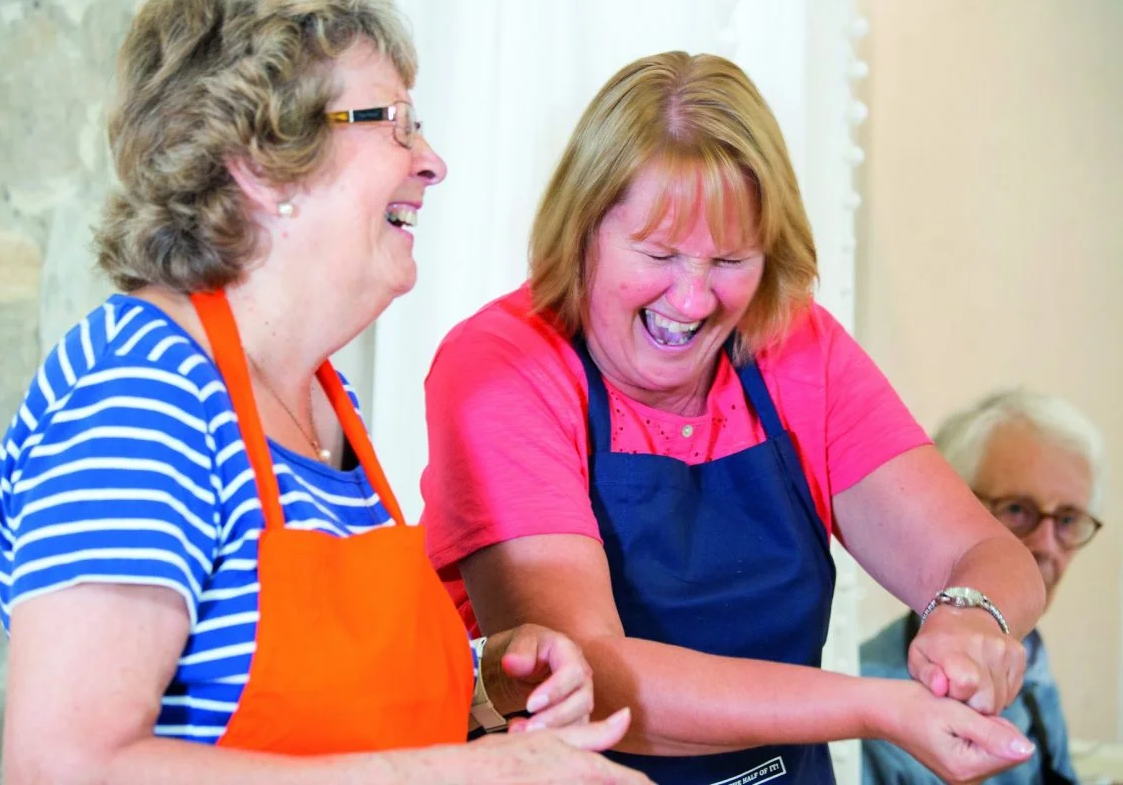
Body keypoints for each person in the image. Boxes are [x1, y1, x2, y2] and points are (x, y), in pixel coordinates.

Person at [0, 0, 651, 782]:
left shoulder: (327, 407)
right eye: (395, 122)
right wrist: (476, 776)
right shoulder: (142, 395)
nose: (432, 160)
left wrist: (484, 680)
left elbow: (314, 719)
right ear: (264, 166)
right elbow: (65, 766)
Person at [421, 50, 1049, 785]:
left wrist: (969, 620)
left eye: (729, 261)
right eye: (658, 253)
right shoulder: (503, 366)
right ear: (583, 231)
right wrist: (879, 707)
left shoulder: (795, 344)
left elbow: (986, 555)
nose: (691, 301)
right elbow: (591, 678)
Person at [862, 390, 1103, 784]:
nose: (1045, 545)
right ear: (946, 511)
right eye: (1016, 510)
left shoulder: (1026, 650)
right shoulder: (877, 697)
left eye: (1067, 519)